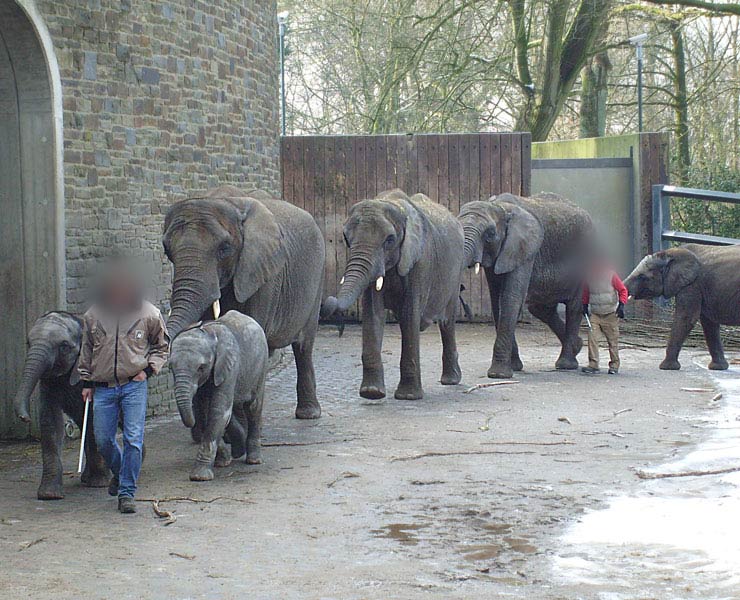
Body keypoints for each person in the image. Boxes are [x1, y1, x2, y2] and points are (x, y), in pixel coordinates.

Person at [78, 260, 169, 514]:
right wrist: (86, 381)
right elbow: (87, 350)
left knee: (133, 439)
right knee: (104, 440)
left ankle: (127, 492)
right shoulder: (93, 315)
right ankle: (120, 472)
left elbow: (162, 346)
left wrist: (149, 370)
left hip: (133, 386)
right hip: (103, 388)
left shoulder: (148, 314)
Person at [581, 261, 628, 375]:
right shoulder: (589, 277)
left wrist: (621, 305)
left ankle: (614, 365)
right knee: (592, 338)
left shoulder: (611, 275)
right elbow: (586, 293)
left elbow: (623, 290)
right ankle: (593, 364)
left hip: (610, 314)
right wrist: (584, 305)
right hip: (596, 314)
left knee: (612, 341)